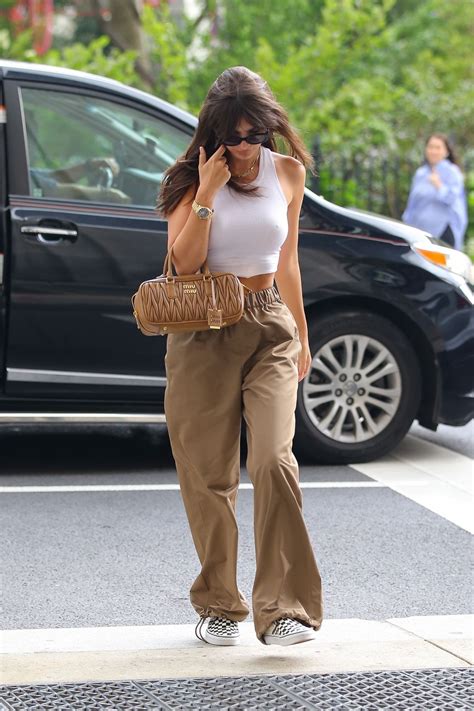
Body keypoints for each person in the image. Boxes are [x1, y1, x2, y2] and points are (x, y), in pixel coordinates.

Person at [156, 66, 323, 648]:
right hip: (204, 330)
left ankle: (283, 610)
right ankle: (220, 601)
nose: (247, 147)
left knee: (274, 460)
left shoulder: (289, 174)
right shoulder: (189, 182)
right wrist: (206, 194)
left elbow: (289, 261)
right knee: (208, 474)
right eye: (235, 136)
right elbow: (182, 266)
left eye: (257, 135)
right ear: (214, 135)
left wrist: (301, 334)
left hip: (269, 324)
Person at [401, 133, 468, 251]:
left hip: (443, 231)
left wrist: (438, 185)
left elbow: (451, 199)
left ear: (446, 152)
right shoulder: (420, 173)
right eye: (430, 147)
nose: (433, 151)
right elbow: (412, 203)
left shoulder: (452, 172)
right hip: (419, 232)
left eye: (438, 148)